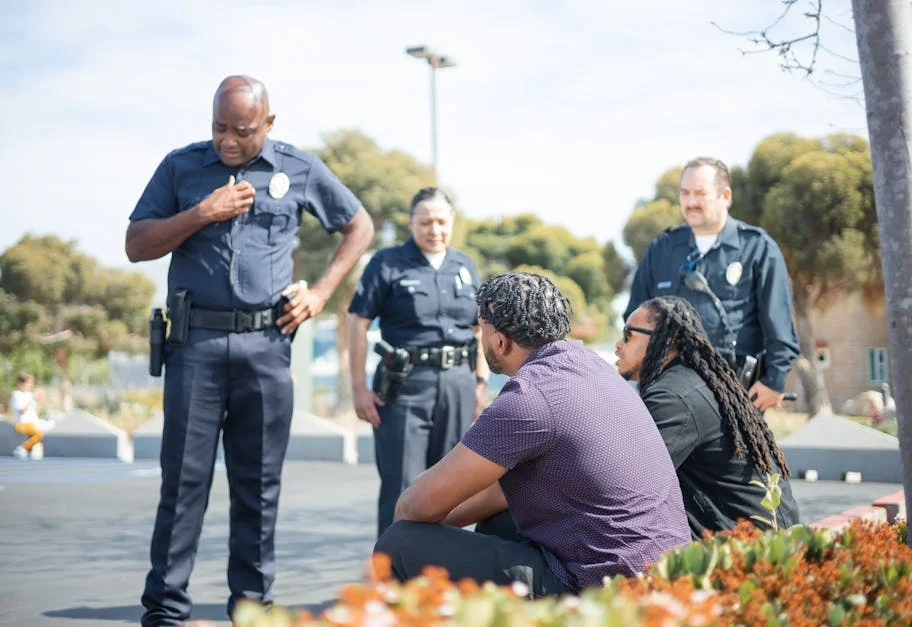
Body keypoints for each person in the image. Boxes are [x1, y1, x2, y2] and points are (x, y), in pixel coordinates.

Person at [126, 75, 374, 626]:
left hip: (267, 346)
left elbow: (359, 225)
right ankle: (165, 611)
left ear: (268, 124)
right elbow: (136, 244)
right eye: (218, 128)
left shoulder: (298, 167)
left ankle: (252, 610)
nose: (227, 141)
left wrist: (321, 292)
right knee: (184, 483)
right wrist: (202, 213)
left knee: (258, 487)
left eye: (241, 131)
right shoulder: (180, 167)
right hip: (196, 345)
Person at [374, 272, 690, 596]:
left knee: (399, 544)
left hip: (607, 593)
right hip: (665, 578)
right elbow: (496, 494)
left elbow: (412, 508)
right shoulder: (591, 365)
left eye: (482, 330)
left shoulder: (529, 397)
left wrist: (427, 524)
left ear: (500, 340)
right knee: (497, 523)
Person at [348, 187, 489, 537]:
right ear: (411, 223)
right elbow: (358, 322)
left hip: (458, 382)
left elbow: (480, 328)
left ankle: (441, 581)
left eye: (442, 221)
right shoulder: (387, 263)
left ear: (452, 222)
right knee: (403, 487)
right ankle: (392, 583)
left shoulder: (465, 266)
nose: (434, 229)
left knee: (452, 489)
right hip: (405, 386)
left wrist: (480, 384)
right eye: (425, 222)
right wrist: (358, 389)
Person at [616, 295, 799, 539]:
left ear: (667, 341)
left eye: (629, 335)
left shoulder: (673, 396)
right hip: (765, 534)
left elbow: (631, 483)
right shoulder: (688, 381)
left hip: (751, 549)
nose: (619, 344)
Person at [624, 157, 799, 411]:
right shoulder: (662, 249)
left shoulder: (757, 248)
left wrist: (774, 381)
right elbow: (634, 319)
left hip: (733, 395)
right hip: (668, 393)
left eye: (700, 193)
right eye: (685, 193)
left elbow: (779, 323)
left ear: (725, 196)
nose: (691, 202)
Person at [10, 371, 54, 461]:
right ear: (22, 383)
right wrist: (32, 400)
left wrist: (39, 400)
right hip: (22, 424)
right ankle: (22, 448)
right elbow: (22, 411)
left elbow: (35, 413)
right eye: (29, 383)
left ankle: (29, 451)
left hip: (32, 423)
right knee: (39, 434)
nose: (30, 385)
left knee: (49, 425)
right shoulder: (17, 395)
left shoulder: (29, 395)